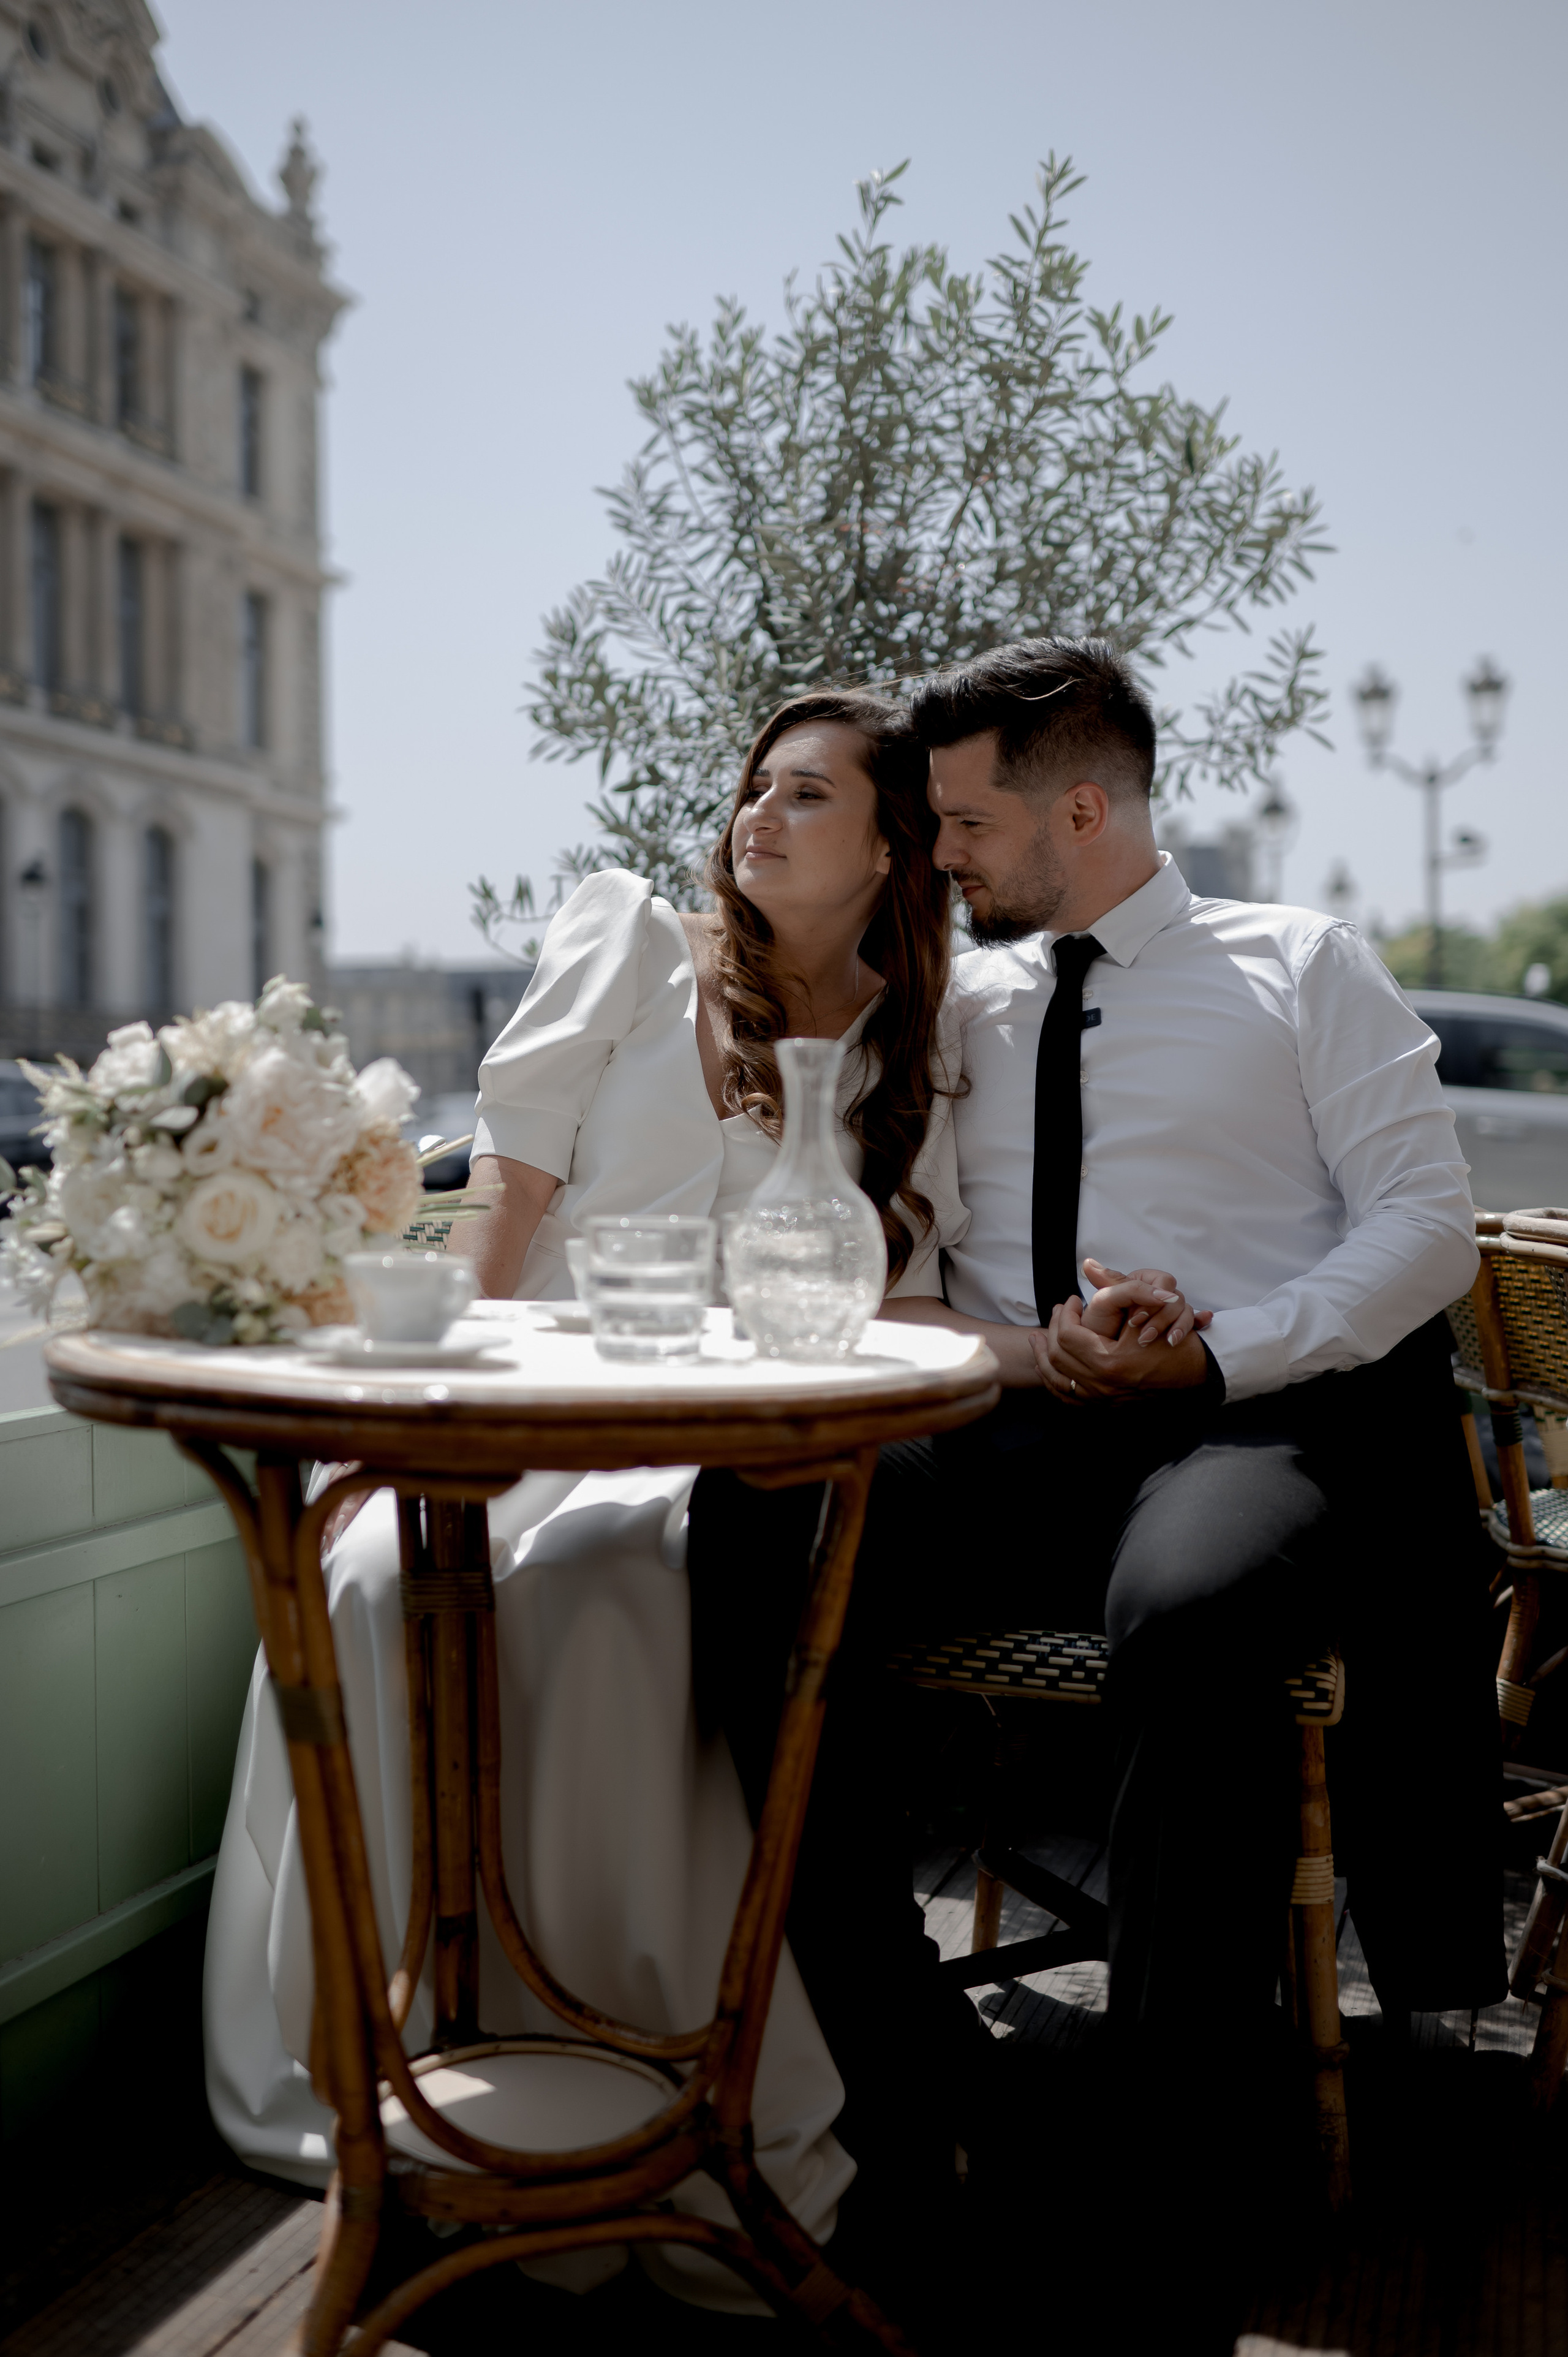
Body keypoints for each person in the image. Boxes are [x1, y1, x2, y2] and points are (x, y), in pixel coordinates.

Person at [687, 637, 1504, 2341]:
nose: (941, 854)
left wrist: (1217, 1352)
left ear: (1080, 807)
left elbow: (1425, 1227)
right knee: (756, 1520)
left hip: (1242, 1428)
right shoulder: (957, 1000)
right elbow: (887, 1242)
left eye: (968, 823)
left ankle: (1170, 2167)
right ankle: (914, 2071)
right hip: (1012, 1431)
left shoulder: (1299, 966)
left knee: (1193, 1613)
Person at [205, 687, 1027, 2310]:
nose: (757, 817)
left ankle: (676, 2062)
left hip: (745, 1443)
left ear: (888, 850)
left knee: (641, 1593)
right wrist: (439, 1416)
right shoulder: (631, 941)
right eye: (755, 788)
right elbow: (506, 1206)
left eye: (808, 797)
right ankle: (429, 2051)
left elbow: (896, 1309)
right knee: (378, 1582)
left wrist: (1053, 1349)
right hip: (533, 1401)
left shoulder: (920, 1050)